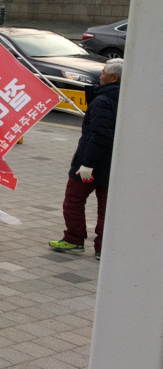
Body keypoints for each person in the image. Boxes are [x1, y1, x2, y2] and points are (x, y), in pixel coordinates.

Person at [50, 59, 122, 260]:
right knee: (106, 207)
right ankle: (103, 248)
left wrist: (87, 163)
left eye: (103, 73)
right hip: (114, 163)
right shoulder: (127, 99)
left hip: (90, 163)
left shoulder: (102, 100)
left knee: (73, 200)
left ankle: (74, 239)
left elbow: (100, 135)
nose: (100, 76)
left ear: (113, 78)